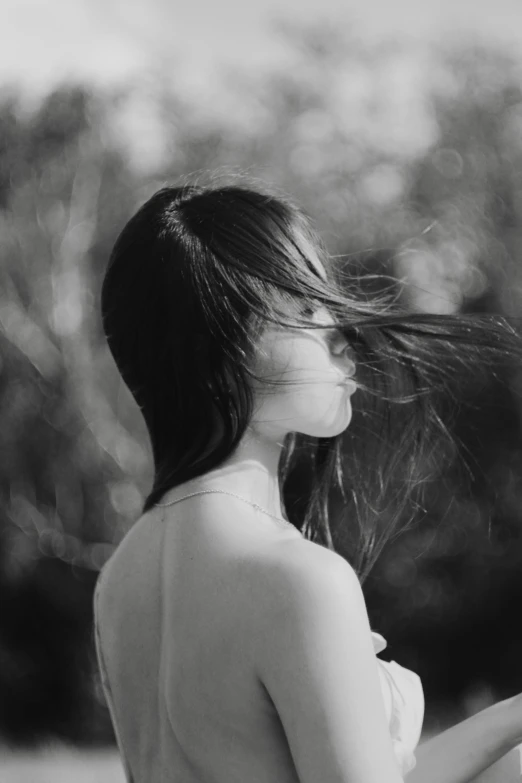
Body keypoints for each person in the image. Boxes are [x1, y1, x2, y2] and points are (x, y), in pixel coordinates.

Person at [94, 180, 522, 783]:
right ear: (224, 346)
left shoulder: (119, 580)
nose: (344, 334)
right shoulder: (296, 578)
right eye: (307, 308)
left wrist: (511, 720)